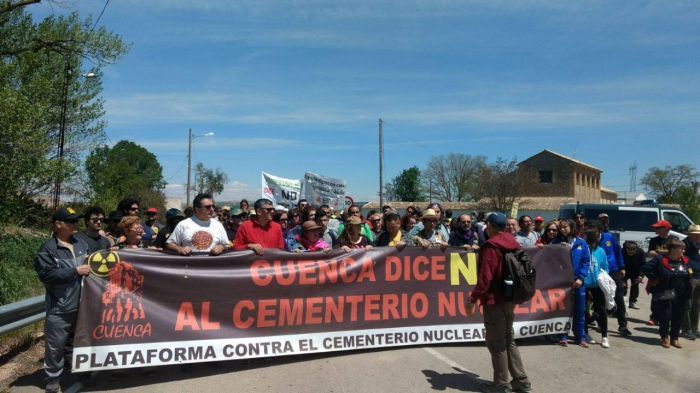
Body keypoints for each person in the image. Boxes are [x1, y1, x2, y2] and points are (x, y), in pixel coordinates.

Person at [464, 213, 531, 393]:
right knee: (509, 339)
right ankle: (521, 380)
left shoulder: (491, 246)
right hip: (510, 298)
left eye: (487, 225)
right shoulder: (512, 243)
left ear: (491, 226)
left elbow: (485, 278)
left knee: (496, 342)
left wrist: (472, 298)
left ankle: (501, 385)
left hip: (495, 301)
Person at [34, 207, 90, 393]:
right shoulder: (47, 249)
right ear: (58, 224)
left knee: (82, 342)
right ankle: (52, 381)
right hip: (60, 308)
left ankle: (83, 373)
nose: (75, 224)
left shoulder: (81, 243)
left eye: (76, 221)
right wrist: (75, 271)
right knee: (55, 348)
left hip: (84, 306)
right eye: (70, 221)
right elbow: (46, 275)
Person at [643, 238, 692, 348]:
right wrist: (654, 279)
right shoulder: (660, 259)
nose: (683, 251)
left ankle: (674, 338)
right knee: (665, 316)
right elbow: (645, 268)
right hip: (665, 293)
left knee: (678, 317)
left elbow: (689, 275)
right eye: (681, 249)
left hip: (681, 294)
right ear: (673, 249)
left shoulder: (685, 260)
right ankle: (664, 337)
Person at [552, 219, 591, 347]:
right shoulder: (556, 242)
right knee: (563, 310)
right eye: (561, 227)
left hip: (578, 282)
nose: (562, 229)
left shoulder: (581, 243)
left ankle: (580, 337)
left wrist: (581, 278)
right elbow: (549, 258)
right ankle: (562, 336)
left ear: (572, 227)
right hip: (562, 282)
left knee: (580, 310)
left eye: (565, 227)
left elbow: (586, 261)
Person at [598, 214, 632, 336]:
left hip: (613, 270)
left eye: (606, 221)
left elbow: (618, 252)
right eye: (601, 221)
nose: (604, 223)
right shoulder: (591, 237)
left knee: (619, 297)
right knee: (601, 298)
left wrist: (622, 267)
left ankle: (622, 325)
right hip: (600, 272)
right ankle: (601, 323)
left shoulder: (610, 237)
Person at [166, 193, 230, 256]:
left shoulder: (218, 225)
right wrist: (179, 248)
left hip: (212, 265)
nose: (212, 209)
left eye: (213, 206)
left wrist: (221, 247)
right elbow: (169, 244)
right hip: (189, 265)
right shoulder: (183, 224)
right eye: (208, 207)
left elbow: (227, 245)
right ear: (197, 209)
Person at [583, 228, 611, 348]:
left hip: (597, 286)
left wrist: (602, 276)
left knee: (602, 310)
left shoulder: (601, 251)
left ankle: (604, 336)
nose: (600, 237)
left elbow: (605, 267)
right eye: (597, 236)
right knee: (584, 311)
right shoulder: (583, 250)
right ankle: (586, 334)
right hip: (584, 285)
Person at [681, 224, 700, 339]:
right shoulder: (683, 245)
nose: (698, 237)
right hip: (689, 277)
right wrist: (689, 272)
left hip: (699, 277)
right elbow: (683, 260)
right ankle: (686, 329)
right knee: (687, 304)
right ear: (689, 235)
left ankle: (694, 328)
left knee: (697, 304)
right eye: (695, 235)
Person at [622, 241, 645, 310]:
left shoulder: (641, 252)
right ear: (626, 249)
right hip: (624, 270)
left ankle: (632, 301)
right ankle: (622, 301)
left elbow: (643, 264)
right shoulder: (621, 251)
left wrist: (641, 275)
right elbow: (618, 262)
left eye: (632, 251)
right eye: (628, 251)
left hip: (635, 270)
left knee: (635, 286)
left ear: (636, 249)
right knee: (622, 286)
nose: (630, 253)